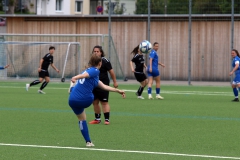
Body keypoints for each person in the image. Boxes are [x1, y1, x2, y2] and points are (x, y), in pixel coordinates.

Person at [68, 54, 125, 147]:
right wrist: (75, 77)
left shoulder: (91, 75)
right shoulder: (94, 70)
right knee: (92, 96)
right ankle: (88, 141)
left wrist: (117, 90)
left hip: (72, 100)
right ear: (100, 63)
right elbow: (85, 75)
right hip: (86, 100)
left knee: (82, 119)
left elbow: (103, 86)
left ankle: (88, 142)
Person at [89, 46, 118, 125]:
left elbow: (111, 72)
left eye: (97, 51)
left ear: (101, 52)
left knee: (104, 102)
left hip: (103, 84)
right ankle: (97, 119)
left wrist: (115, 81)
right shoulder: (92, 61)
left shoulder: (105, 61)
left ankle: (107, 119)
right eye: (94, 51)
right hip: (94, 84)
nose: (95, 52)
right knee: (95, 102)